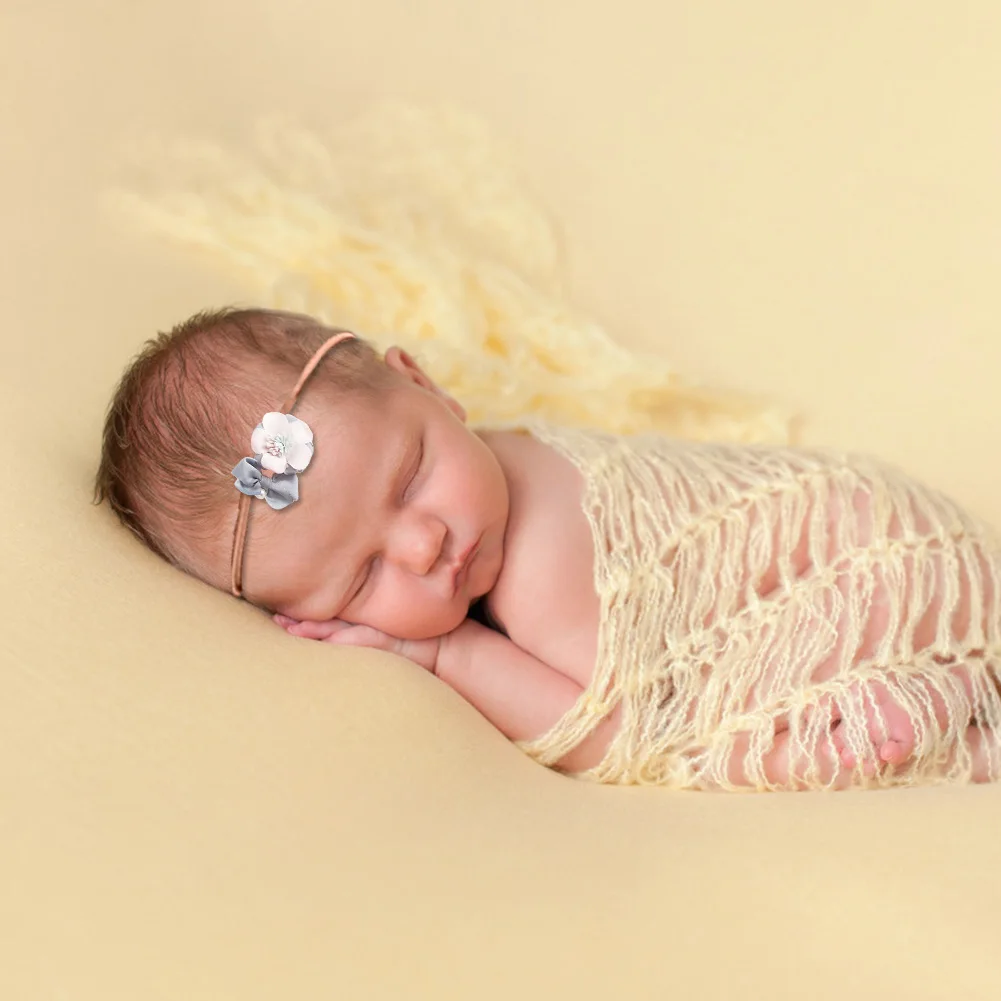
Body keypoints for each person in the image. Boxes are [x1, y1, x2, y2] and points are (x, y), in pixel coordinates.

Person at [94, 307, 1001, 790]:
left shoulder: (539, 565)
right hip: (896, 526)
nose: (422, 544)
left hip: (881, 569)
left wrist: (446, 652)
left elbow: (628, 731)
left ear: (427, 385)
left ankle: (952, 695)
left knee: (767, 753)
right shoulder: (484, 464)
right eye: (361, 576)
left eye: (410, 477)